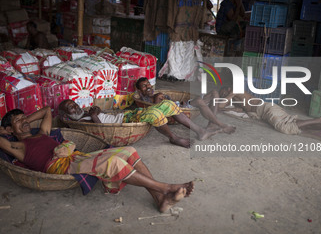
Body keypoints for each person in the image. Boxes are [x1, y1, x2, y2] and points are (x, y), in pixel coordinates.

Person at [0, 107, 194, 213]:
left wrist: (22, 119)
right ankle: (165, 188)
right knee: (114, 164)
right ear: (9, 131)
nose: (25, 121)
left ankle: (159, 198)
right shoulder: (18, 147)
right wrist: (10, 127)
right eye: (18, 121)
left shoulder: (42, 133)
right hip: (59, 166)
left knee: (128, 151)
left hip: (74, 157)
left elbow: (47, 111)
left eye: (25, 118)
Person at [58, 99, 223, 148]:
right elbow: (102, 129)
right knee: (154, 113)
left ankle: (200, 130)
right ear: (66, 114)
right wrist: (94, 116)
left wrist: (96, 111)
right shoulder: (80, 122)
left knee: (169, 104)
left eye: (74, 104)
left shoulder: (85, 113)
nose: (76, 107)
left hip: (128, 115)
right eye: (71, 109)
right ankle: (173, 137)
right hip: (124, 121)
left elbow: (100, 116)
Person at [219, 87, 321, 136]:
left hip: (265, 109)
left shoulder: (234, 89)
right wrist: (225, 108)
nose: (223, 95)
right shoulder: (235, 99)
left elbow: (222, 103)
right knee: (302, 126)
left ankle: (319, 119)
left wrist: (225, 99)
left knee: (284, 127)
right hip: (265, 110)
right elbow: (238, 109)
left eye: (223, 92)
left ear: (227, 89)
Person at [135, 77, 236, 134]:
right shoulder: (145, 99)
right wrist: (158, 98)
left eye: (148, 84)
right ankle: (221, 124)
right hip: (180, 110)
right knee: (200, 100)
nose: (148, 86)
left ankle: (212, 124)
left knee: (214, 92)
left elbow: (172, 101)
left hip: (182, 104)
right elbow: (158, 110)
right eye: (144, 86)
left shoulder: (156, 93)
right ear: (139, 91)